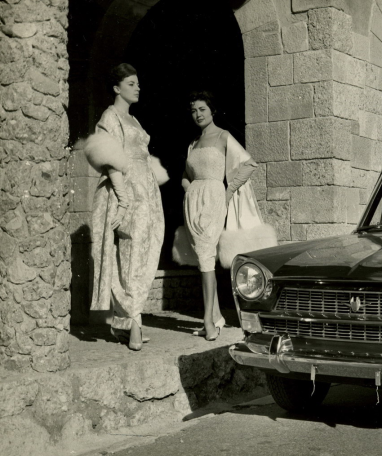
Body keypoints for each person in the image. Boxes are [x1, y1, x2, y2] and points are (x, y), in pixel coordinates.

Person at [85, 64, 167, 351]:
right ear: (116, 88)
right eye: (131, 83)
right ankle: (133, 323)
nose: (137, 88)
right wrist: (122, 198)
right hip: (128, 191)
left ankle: (127, 321)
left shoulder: (134, 120)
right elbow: (110, 158)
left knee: (145, 254)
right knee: (130, 256)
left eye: (138, 83)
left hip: (147, 192)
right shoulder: (110, 116)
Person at [182, 91, 258, 340]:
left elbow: (249, 164)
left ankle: (208, 322)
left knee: (206, 257)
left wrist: (228, 190)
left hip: (214, 199)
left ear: (212, 110)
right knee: (203, 258)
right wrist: (189, 190)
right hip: (193, 203)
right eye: (194, 111)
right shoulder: (193, 143)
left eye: (202, 109)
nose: (197, 114)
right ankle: (215, 317)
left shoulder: (223, 136)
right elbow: (185, 176)